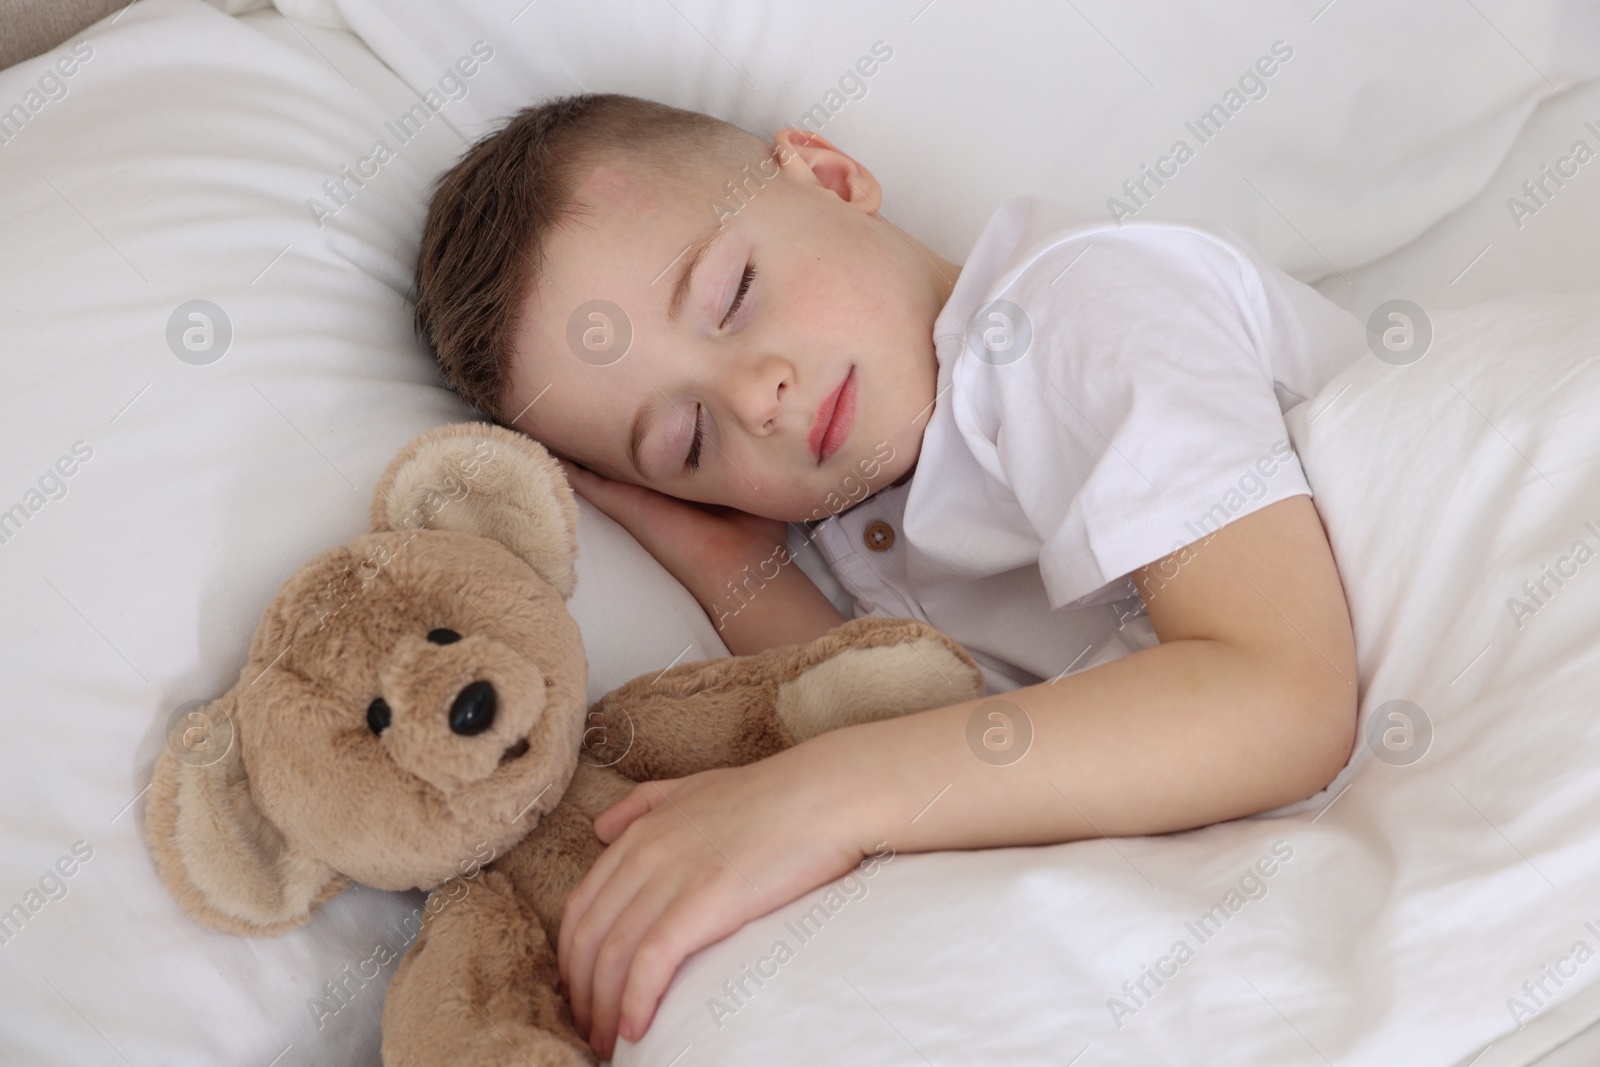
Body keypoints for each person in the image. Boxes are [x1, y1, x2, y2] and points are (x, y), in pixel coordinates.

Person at [413, 92, 1363, 1058]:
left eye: (733, 293)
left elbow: (1283, 700)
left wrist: (811, 797)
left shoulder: (1070, 309)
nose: (754, 397)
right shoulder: (864, 529)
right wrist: (727, 565)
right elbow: (981, 754)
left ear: (830, 177)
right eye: (686, 436)